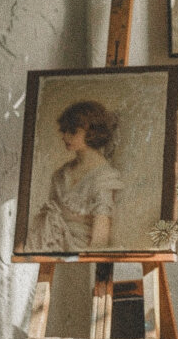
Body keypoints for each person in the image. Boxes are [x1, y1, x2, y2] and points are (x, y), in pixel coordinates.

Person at [27, 100, 124, 252]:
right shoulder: (60, 175)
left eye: (72, 131)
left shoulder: (104, 177)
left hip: (83, 251)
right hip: (53, 246)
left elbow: (100, 237)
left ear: (93, 132)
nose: (65, 137)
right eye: (64, 131)